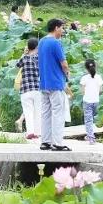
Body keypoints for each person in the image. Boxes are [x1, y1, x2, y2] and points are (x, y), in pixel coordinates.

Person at [37, 19, 70, 151]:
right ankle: (57, 143)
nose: (62, 31)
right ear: (56, 28)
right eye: (62, 28)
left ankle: (45, 141)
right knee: (58, 112)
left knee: (45, 113)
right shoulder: (56, 43)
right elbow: (64, 63)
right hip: (56, 83)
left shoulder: (42, 41)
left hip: (44, 82)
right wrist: (67, 74)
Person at [15, 37, 41, 140]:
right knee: (38, 111)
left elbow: (18, 65)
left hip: (25, 89)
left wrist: (24, 53)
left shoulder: (24, 58)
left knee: (28, 111)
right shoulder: (39, 58)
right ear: (37, 47)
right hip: (37, 88)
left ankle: (30, 132)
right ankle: (38, 133)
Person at [80, 59, 103, 144]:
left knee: (88, 120)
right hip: (96, 101)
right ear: (95, 66)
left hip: (87, 101)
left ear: (86, 68)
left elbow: (82, 91)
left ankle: (91, 137)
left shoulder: (84, 78)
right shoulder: (99, 77)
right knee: (93, 119)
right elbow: (101, 91)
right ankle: (90, 135)